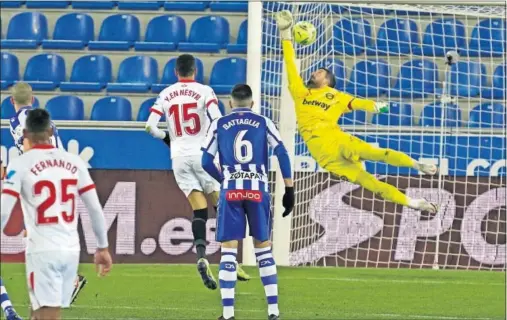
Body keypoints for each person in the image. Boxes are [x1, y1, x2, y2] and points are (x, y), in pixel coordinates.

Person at [275, 10, 439, 213]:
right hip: (326, 158)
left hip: (338, 140)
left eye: (320, 72)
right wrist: (285, 35)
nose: (314, 72)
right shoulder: (301, 93)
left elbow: (360, 103)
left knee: (377, 154)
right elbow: (290, 65)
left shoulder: (336, 95)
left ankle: (417, 165)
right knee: (371, 184)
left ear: (327, 81)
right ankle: (414, 203)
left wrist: (378, 106)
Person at [145, 54, 250, 290]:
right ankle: (229, 261)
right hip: (203, 155)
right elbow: (217, 120)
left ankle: (201, 256)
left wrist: (168, 140)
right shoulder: (205, 91)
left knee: (199, 210)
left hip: (179, 158)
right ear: (195, 71)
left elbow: (149, 126)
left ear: (176, 72)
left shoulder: (165, 93)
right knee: (224, 206)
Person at [0, 109, 112, 320]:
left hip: (42, 250)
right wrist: (103, 247)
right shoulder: (74, 162)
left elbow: (4, 210)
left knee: (48, 315)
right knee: (39, 313)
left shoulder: (22, 164)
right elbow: (95, 208)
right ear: (51, 130)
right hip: (70, 251)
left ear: (25, 133)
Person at [201, 84, 295, 320]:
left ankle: (228, 314)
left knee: (229, 252)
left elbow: (205, 161)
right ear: (253, 103)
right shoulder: (264, 122)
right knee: (263, 250)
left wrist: (224, 179)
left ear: (230, 103)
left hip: (231, 191)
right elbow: (282, 153)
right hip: (258, 191)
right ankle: (273, 312)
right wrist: (289, 189)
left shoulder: (219, 123)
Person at [7, 82, 89, 304]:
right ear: (32, 99)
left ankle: (61, 282)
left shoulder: (16, 122)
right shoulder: (45, 119)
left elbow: (29, 149)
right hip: (61, 175)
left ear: (11, 100)